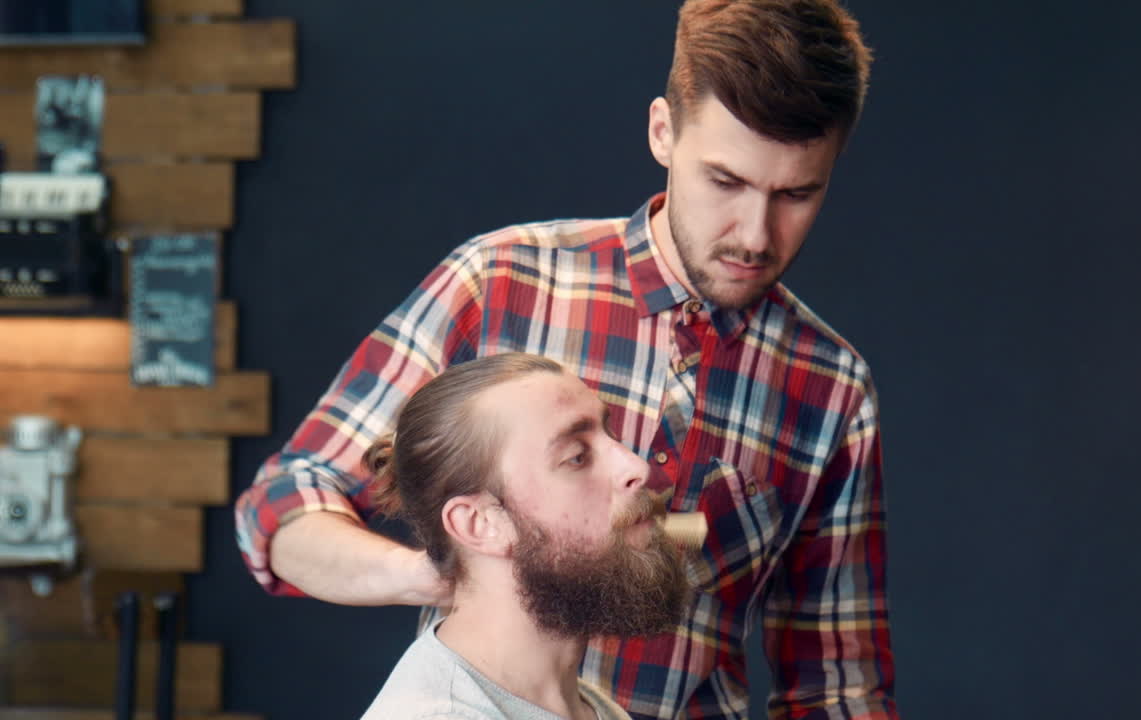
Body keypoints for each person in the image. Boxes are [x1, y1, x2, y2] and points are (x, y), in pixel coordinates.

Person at [235, 1, 896, 717]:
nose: (756, 234)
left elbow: (838, 684)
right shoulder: (500, 283)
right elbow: (282, 510)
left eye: (796, 193)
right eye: (726, 182)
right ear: (662, 132)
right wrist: (435, 572)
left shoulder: (830, 388)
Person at [358, 353, 690, 720]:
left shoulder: (590, 709)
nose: (636, 467)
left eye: (610, 435)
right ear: (480, 524)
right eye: (577, 456)